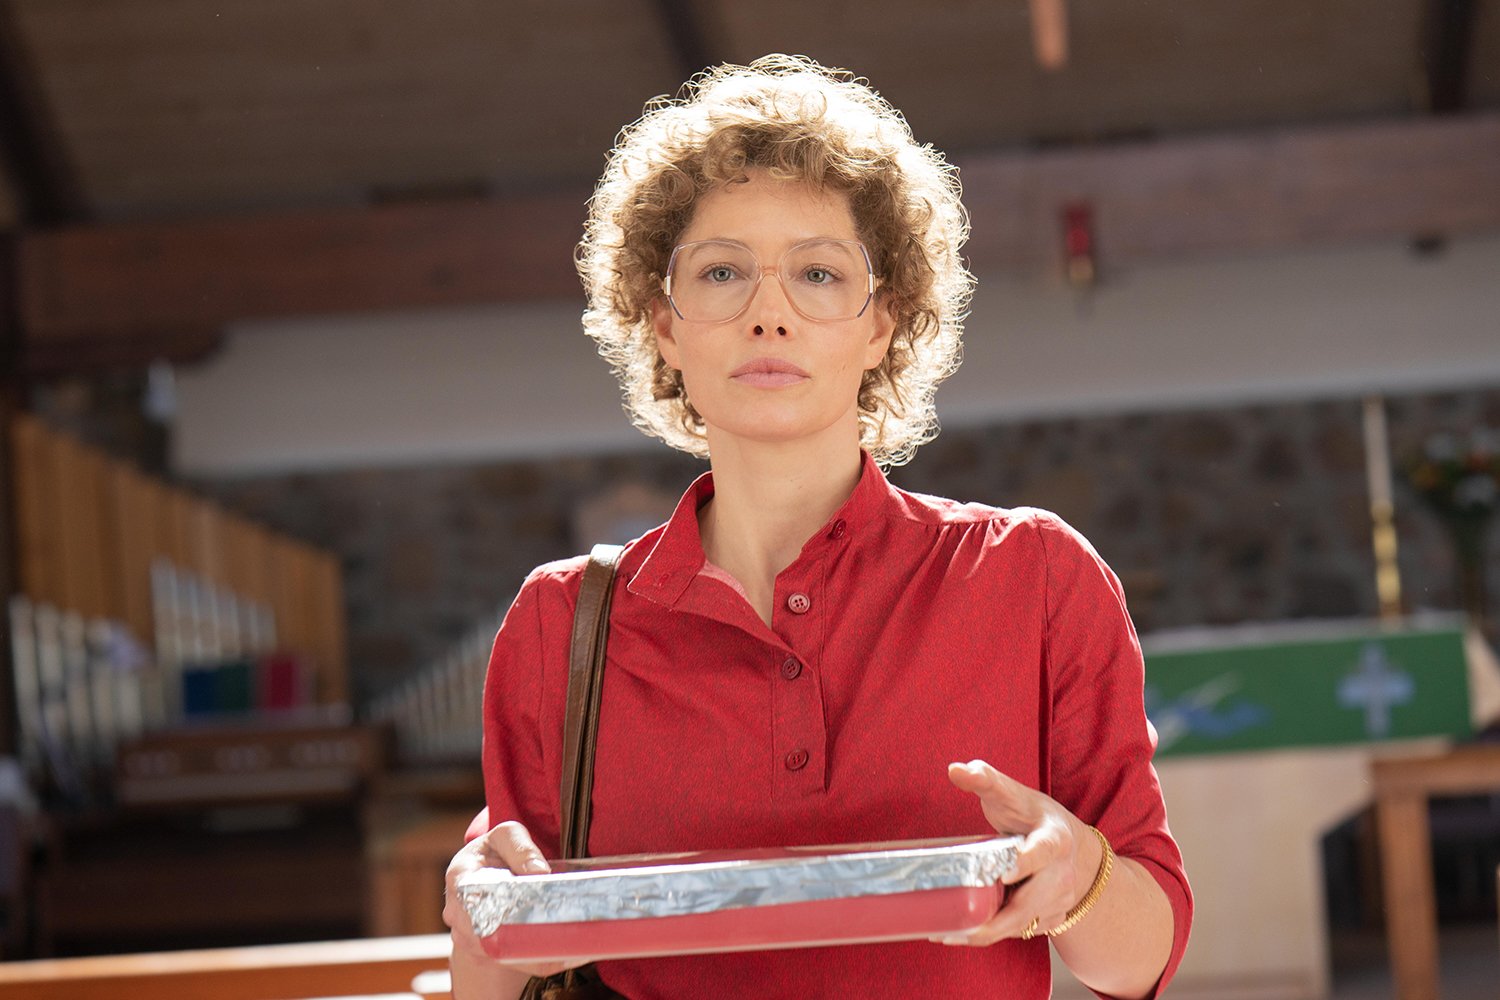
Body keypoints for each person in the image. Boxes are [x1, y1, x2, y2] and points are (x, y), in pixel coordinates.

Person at [445, 54, 1191, 999]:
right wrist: (481, 925)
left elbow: (1142, 964)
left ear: (882, 322)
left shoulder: (1033, 576)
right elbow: (495, 973)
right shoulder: (562, 622)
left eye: (819, 273)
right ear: (663, 324)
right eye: (721, 272)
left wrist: (1078, 875)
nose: (769, 315)